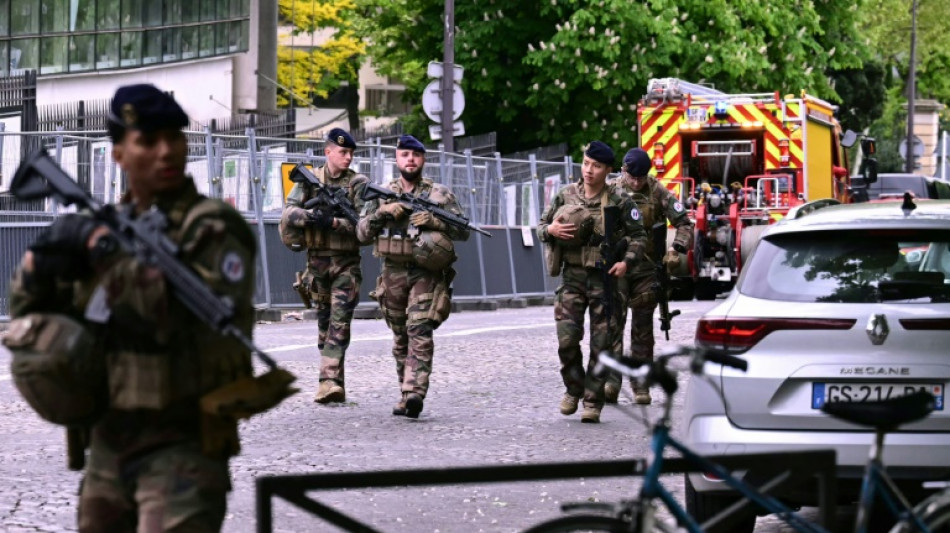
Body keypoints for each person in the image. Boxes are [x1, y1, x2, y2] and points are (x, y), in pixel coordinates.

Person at [6, 84, 267, 532]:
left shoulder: (212, 226)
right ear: (119, 154)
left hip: (185, 444)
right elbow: (31, 312)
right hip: (108, 441)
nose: (167, 152)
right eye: (148, 141)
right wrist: (41, 261)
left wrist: (101, 248)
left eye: (175, 137)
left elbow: (167, 316)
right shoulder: (102, 226)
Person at [356, 134, 470, 419]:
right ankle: (404, 393)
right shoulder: (381, 193)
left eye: (416, 155)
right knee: (400, 336)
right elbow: (360, 233)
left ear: (423, 159)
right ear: (397, 158)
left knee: (419, 329)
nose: (410, 160)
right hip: (392, 271)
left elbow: (463, 231)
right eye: (405, 154)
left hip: (426, 272)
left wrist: (435, 221)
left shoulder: (439, 194)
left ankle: (415, 392)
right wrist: (383, 212)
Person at [537, 141, 647, 423]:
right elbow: (539, 226)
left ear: (608, 170)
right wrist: (550, 229)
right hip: (572, 277)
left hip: (605, 280)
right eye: (586, 163)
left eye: (596, 166)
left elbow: (639, 236)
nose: (589, 170)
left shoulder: (620, 200)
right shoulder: (566, 194)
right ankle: (573, 388)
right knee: (567, 340)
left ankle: (593, 401)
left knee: (602, 345)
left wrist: (627, 262)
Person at [279, 128, 368, 404]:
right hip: (316, 264)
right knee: (325, 325)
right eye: (343, 152)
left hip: (346, 264)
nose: (348, 157)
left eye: (351, 153)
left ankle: (326, 381)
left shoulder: (358, 184)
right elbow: (288, 212)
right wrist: (311, 216)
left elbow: (364, 228)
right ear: (327, 152)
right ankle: (335, 384)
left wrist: (332, 223)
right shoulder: (310, 179)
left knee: (339, 323)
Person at [605, 148, 693, 405]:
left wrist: (675, 250)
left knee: (642, 328)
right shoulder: (610, 190)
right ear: (623, 172)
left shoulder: (658, 192)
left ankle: (641, 384)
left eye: (641, 177)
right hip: (618, 266)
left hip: (646, 268)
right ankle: (611, 381)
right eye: (632, 177)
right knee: (612, 324)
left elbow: (684, 222)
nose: (636, 182)